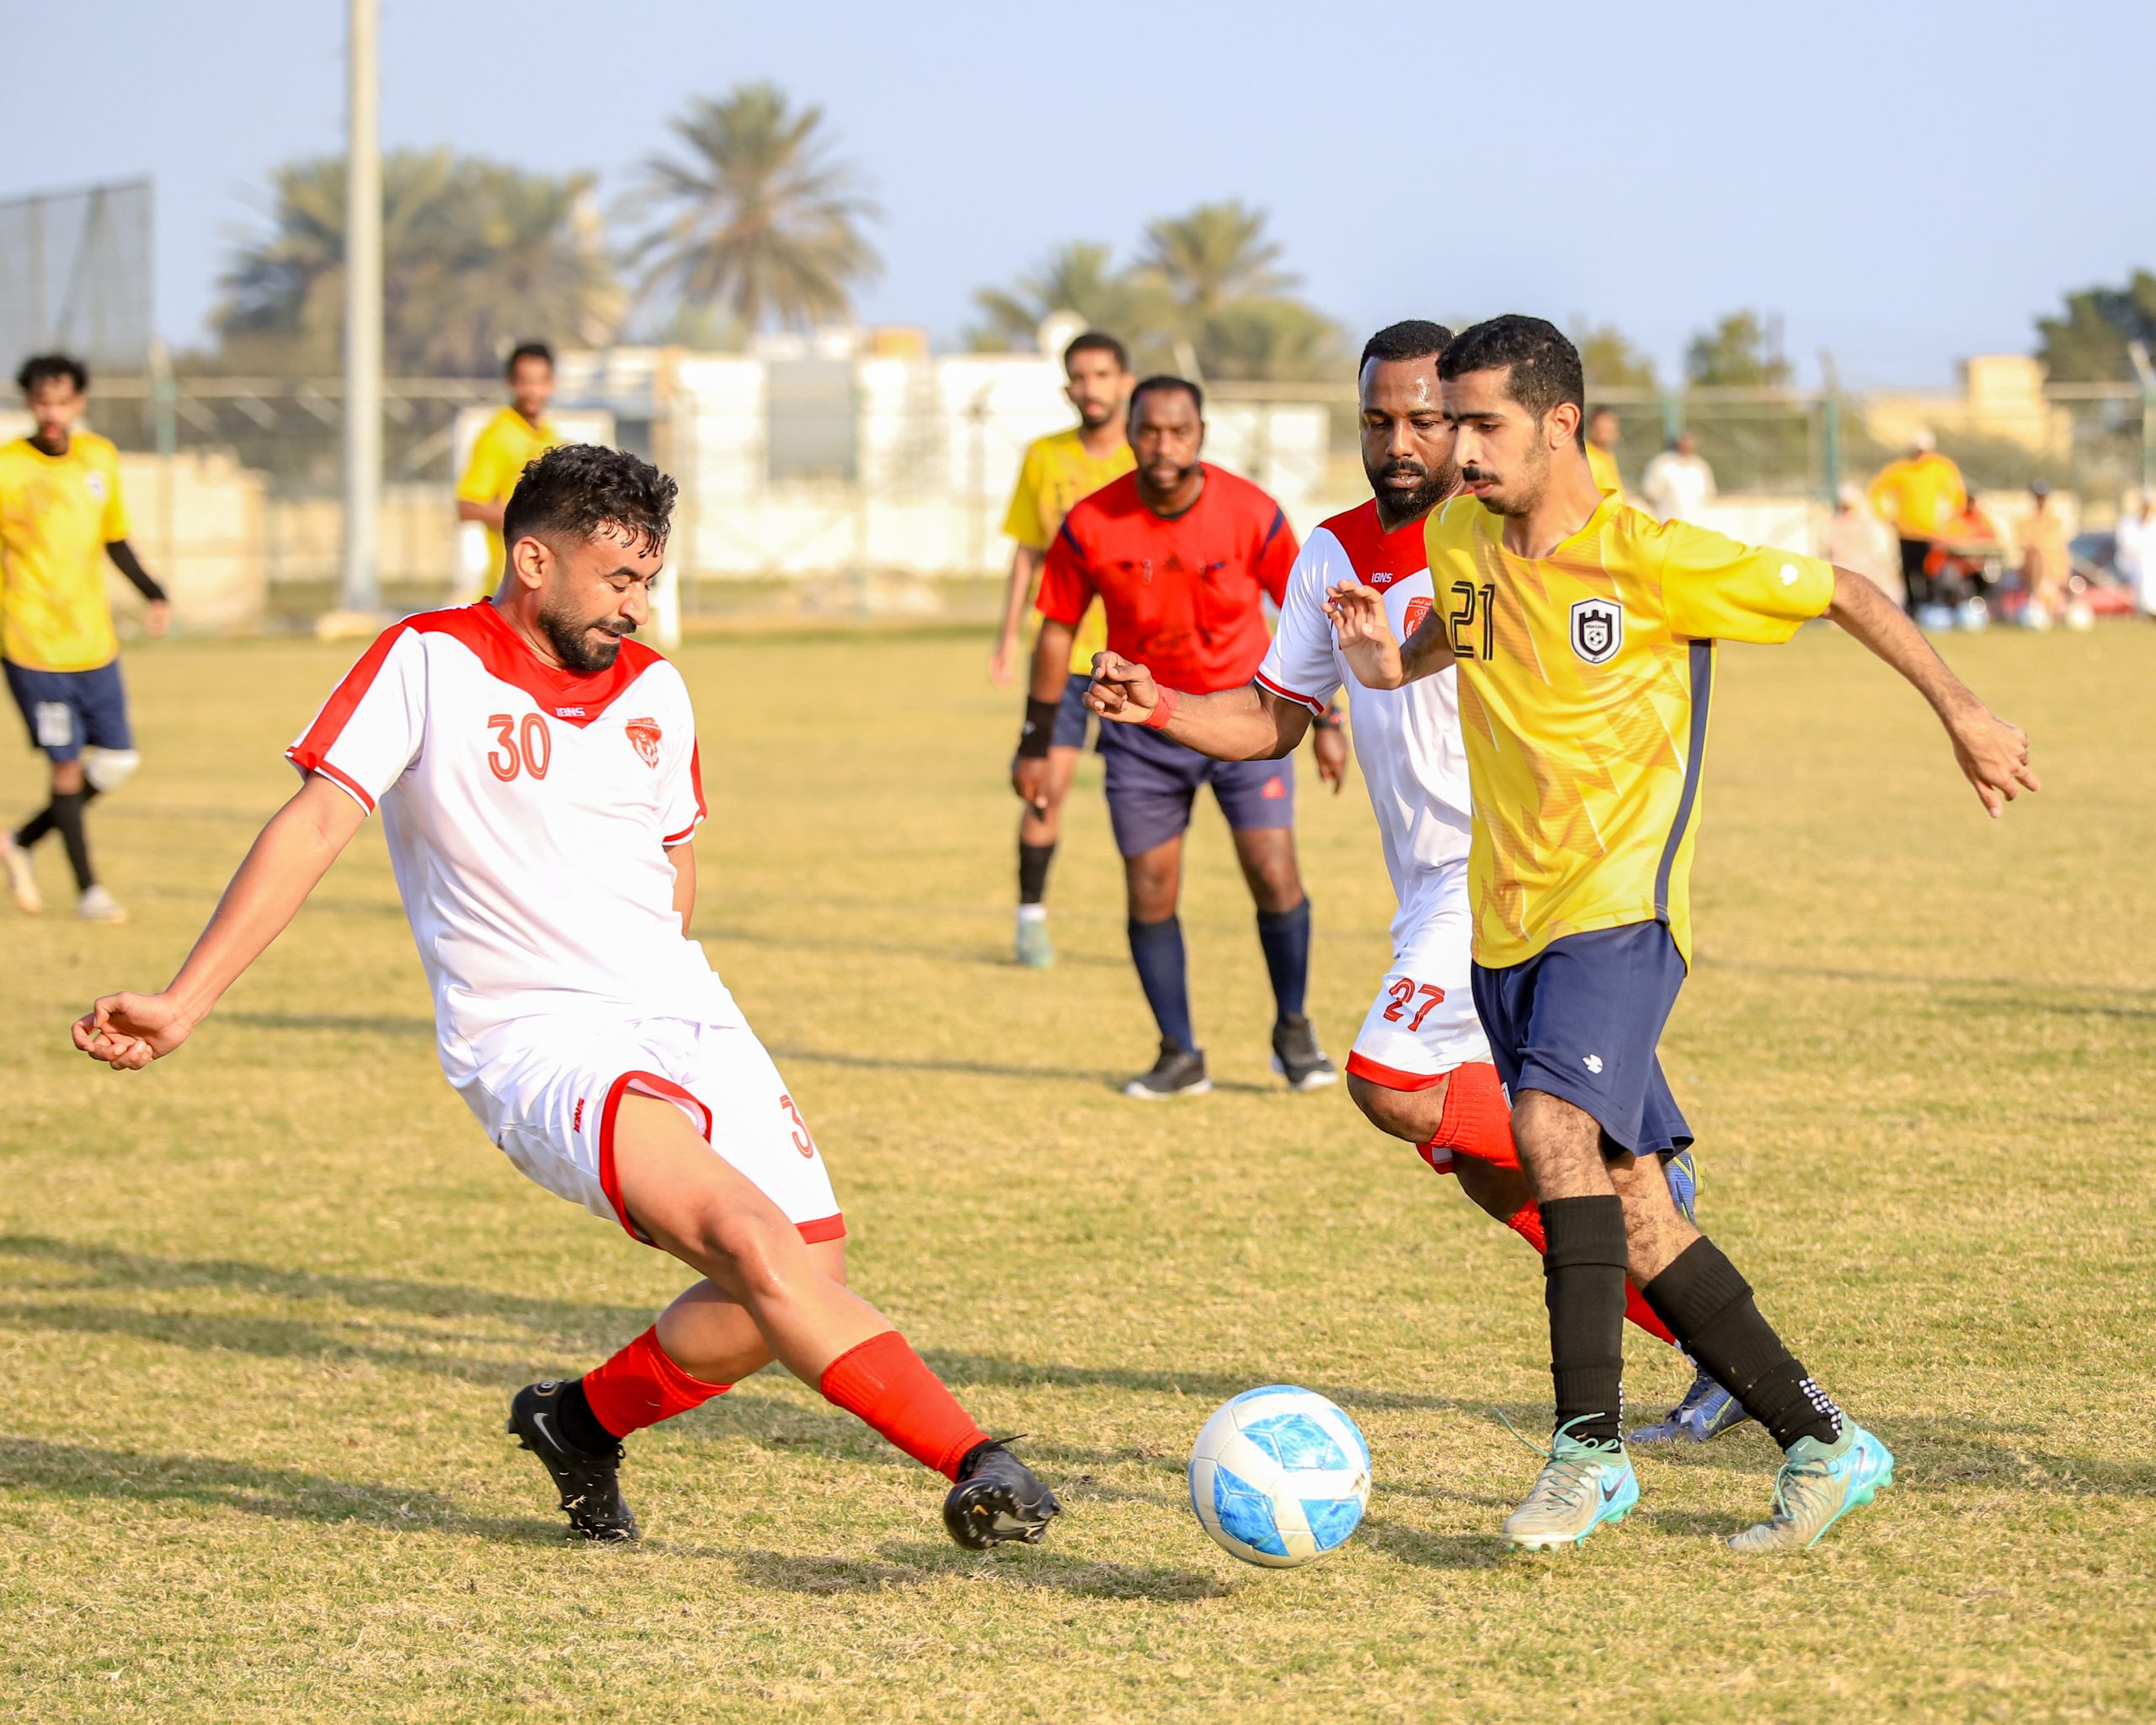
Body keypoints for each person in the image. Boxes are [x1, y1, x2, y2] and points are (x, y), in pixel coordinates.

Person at [72, 444, 1060, 1551]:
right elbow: (313, 824)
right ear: (534, 561)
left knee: (793, 1281)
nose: (636, 607)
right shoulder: (427, 659)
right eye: (619, 580)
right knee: (750, 1239)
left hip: (685, 1010)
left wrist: (665, 987)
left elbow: (673, 856)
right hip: (538, 1037)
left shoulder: (657, 689)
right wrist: (185, 1000)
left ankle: (576, 1423)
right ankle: (975, 1459)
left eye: (649, 581)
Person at [1326, 316, 2036, 1553]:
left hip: (1621, 909)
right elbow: (1467, 628)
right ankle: (1825, 1442)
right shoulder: (1458, 538)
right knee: (1640, 1208)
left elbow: (1846, 590)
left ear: (1560, 425)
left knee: (1549, 1130)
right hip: (1506, 918)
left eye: (1483, 425)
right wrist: (1394, 662)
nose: (1456, 450)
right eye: (1451, 424)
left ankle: (1585, 1454)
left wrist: (1963, 711)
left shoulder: (1655, 561)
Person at [1086, 321, 1746, 1445]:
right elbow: (1276, 717)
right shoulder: (1331, 552)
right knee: (1493, 1176)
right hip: (1434, 890)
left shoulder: (1512, 542)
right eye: (1376, 420)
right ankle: (1705, 1339)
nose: (1398, 443)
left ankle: (1630, 1160)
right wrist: (1165, 706)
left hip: (1506, 870)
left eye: (1424, 420)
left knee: (1392, 1080)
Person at [1014, 376, 1341, 1097]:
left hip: (1245, 724)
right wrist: (1036, 739)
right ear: (1130, 434)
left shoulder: (1252, 512)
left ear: (1201, 435)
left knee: (1274, 871)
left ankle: (1294, 1032)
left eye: (1179, 431)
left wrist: (1328, 720)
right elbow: (1057, 628)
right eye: (1150, 431)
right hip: (1142, 731)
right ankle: (1178, 1053)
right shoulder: (1090, 522)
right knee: (1151, 887)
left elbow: (1305, 616)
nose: (1164, 446)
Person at [0, 354, 170, 923]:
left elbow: (114, 539)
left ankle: (21, 840)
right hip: (31, 646)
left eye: (62, 402)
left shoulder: (100, 458)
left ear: (79, 403)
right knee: (66, 766)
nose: (52, 413)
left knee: (118, 761)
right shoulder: (8, 468)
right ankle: (89, 891)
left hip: (93, 644)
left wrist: (154, 592)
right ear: (29, 403)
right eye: (41, 402)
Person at [988, 331, 1136, 968]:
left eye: (1102, 375)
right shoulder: (1044, 457)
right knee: (1045, 787)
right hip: (1063, 660)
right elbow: (1027, 553)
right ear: (1067, 386)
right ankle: (1031, 920)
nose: (1090, 388)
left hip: (1136, 662)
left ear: (1124, 382)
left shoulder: (1147, 455)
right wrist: (1006, 637)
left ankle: (1148, 925)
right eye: (1079, 376)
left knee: (1144, 803)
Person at [456, 342, 563, 596]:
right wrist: (526, 516)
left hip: (546, 583)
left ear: (552, 384)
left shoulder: (551, 437)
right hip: (508, 588)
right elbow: (467, 506)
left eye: (540, 381)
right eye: (525, 382)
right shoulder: (497, 436)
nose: (533, 391)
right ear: (511, 383)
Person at [1867, 430, 1967, 618]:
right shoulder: (1901, 470)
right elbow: (1876, 491)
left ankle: (1930, 605)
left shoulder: (1940, 469)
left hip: (1931, 534)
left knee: (1931, 572)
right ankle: (1912, 606)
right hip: (1906, 531)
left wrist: (1948, 522)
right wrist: (1887, 516)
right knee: (1908, 572)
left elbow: (1956, 496)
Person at [2014, 481, 2071, 622]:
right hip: (2034, 572)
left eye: (2043, 497)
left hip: (2054, 572)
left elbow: (2062, 550)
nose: (2041, 500)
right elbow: (2026, 548)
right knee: (2037, 557)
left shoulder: (2055, 522)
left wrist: (2063, 574)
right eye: (2038, 497)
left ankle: (2060, 607)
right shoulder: (2024, 523)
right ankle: (2038, 603)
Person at [1639, 428, 1715, 523]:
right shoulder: (1662, 463)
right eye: (1685, 441)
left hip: (1695, 524)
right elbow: (1650, 494)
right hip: (1668, 523)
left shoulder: (1700, 466)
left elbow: (1709, 495)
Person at [2116, 489, 2156, 617]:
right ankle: (2147, 610)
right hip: (2131, 566)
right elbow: (2128, 548)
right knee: (2145, 569)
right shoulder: (2128, 523)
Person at [1583, 407, 1624, 501]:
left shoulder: (1607, 457)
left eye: (1610, 430)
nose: (1607, 434)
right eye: (1603, 429)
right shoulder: (1587, 458)